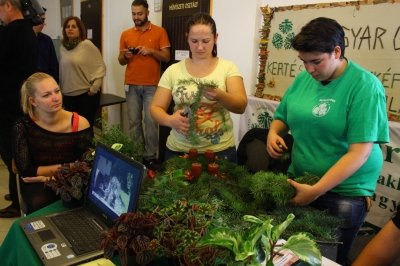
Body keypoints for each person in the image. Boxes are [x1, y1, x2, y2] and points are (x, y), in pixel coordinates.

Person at [265, 17, 389, 265]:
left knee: (325, 258)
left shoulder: (365, 86)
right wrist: (273, 132)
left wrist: (317, 191)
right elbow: (282, 116)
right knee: (289, 255)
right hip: (302, 181)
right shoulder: (304, 79)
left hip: (343, 191)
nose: (309, 69)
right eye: (304, 62)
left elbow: (359, 153)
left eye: (316, 62)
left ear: (337, 51)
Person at [150, 13, 247, 163]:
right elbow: (155, 108)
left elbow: (241, 105)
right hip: (179, 151)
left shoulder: (228, 67)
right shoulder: (173, 70)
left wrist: (221, 96)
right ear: (187, 38)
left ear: (216, 38)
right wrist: (170, 120)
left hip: (220, 152)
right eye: (194, 41)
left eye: (206, 41)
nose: (200, 47)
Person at [12, 72, 93, 214]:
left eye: (57, 91)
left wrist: (49, 175)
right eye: (46, 95)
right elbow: (26, 171)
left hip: (72, 180)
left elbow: (85, 166)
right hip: (37, 183)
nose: (55, 98)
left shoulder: (79, 123)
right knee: (39, 204)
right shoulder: (23, 126)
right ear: (33, 101)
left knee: (86, 203)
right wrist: (70, 166)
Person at [118, 0, 170, 169]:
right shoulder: (126, 34)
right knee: (134, 122)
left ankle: (150, 157)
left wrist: (151, 51)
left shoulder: (159, 32)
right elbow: (120, 61)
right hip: (131, 84)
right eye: (133, 14)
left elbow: (166, 57)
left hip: (151, 86)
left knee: (151, 122)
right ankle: (137, 155)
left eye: (139, 13)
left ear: (147, 12)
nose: (136, 17)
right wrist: (125, 56)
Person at [0, 0, 38, 218]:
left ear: (7, 5)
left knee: (12, 154)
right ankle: (16, 194)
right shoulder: (27, 30)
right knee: (16, 151)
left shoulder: (10, 33)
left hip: (9, 104)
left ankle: (18, 201)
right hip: (19, 101)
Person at [59, 16, 106, 126]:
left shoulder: (86, 45)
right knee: (72, 129)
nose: (70, 29)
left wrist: (95, 88)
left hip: (85, 96)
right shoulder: (63, 47)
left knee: (85, 129)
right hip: (68, 96)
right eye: (67, 26)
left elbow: (100, 67)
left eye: (74, 26)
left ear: (80, 30)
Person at [33, 7, 59, 82]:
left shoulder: (47, 40)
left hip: (45, 82)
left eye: (43, 20)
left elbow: (54, 65)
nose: (43, 24)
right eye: (40, 20)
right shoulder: (23, 39)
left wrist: (54, 82)